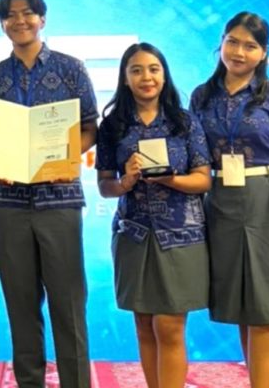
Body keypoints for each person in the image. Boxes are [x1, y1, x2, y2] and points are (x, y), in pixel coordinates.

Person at [0, 0, 96, 388]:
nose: (19, 20)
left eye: (27, 13)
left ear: (42, 19)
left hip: (59, 200)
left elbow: (90, 127)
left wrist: (65, 156)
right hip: (9, 204)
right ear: (2, 24)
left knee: (68, 304)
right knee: (21, 305)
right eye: (10, 15)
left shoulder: (71, 68)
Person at [190, 12, 269, 388]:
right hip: (222, 202)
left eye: (250, 46)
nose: (239, 52)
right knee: (244, 306)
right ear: (221, 43)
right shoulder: (202, 96)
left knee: (266, 309)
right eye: (232, 42)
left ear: (264, 53)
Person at [96, 43, 211, 388]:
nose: (146, 77)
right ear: (125, 78)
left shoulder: (184, 122)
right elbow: (104, 185)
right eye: (136, 70)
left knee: (170, 326)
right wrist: (126, 181)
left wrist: (171, 179)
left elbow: (203, 179)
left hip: (182, 236)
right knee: (144, 325)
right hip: (134, 235)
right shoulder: (113, 125)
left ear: (164, 75)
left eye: (153, 69)